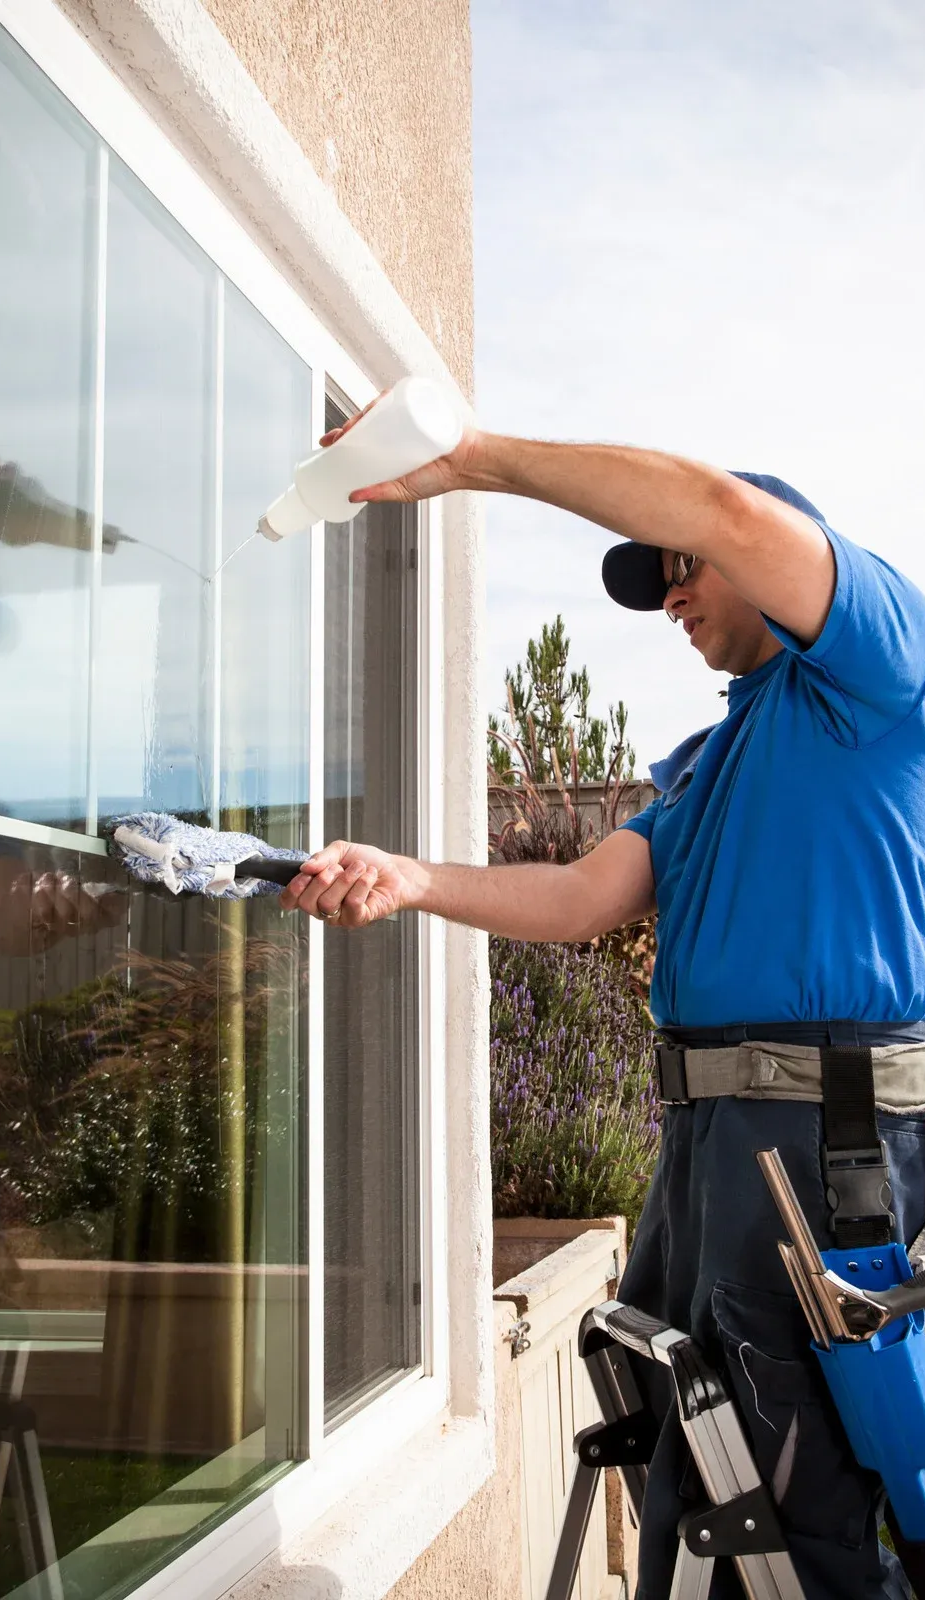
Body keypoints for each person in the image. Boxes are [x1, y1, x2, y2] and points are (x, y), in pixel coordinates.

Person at [280, 408, 925, 1600]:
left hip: (830, 1145)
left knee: (809, 1503)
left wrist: (473, 462)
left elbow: (724, 510)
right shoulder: (703, 762)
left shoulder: (876, 671)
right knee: (701, 1476)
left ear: (768, 559)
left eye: (682, 570)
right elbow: (582, 897)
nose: (670, 597)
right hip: (709, 1152)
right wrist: (409, 879)